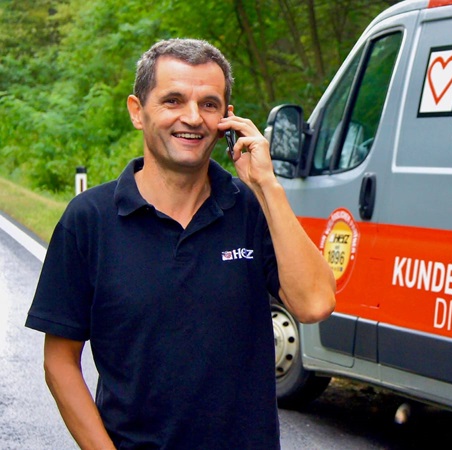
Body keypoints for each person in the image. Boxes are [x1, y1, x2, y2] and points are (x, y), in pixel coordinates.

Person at [25, 38, 336, 449]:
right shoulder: (89, 220)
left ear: (227, 117)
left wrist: (267, 185)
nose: (192, 118)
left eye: (209, 104)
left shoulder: (252, 209)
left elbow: (314, 304)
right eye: (173, 100)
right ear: (138, 111)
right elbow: (60, 361)